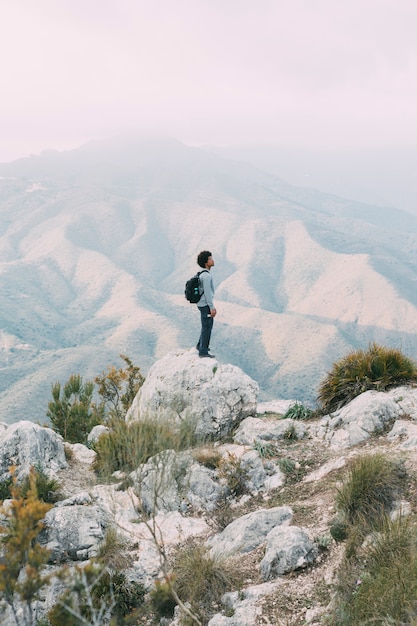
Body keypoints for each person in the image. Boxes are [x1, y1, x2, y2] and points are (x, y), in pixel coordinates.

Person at [195, 250, 216, 358]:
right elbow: (207, 293)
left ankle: (200, 345)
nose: (212, 260)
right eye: (210, 259)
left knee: (206, 325)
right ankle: (203, 351)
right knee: (207, 327)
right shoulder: (206, 276)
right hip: (205, 305)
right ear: (206, 262)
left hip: (201, 304)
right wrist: (212, 307)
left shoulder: (202, 274)